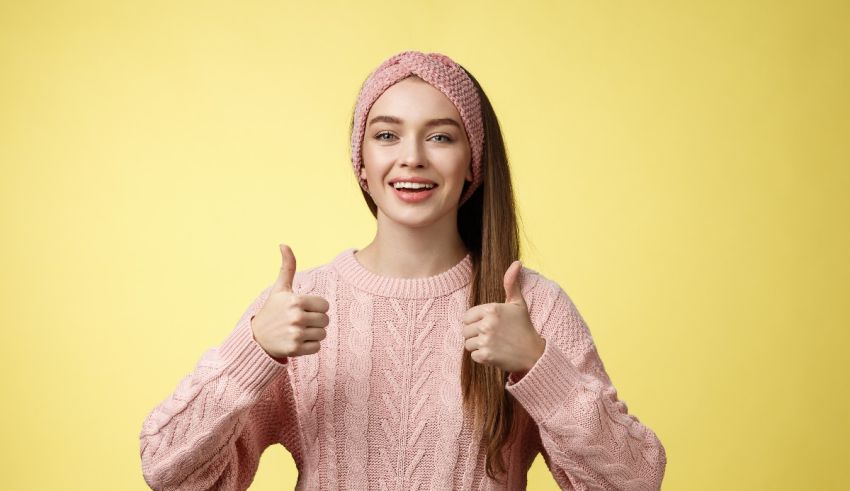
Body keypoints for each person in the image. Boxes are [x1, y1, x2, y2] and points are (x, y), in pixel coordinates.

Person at [139, 50, 667, 490]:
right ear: (362, 164)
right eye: (387, 135)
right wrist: (252, 351)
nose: (412, 157)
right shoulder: (300, 307)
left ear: (472, 164)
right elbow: (167, 472)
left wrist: (538, 367)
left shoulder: (530, 309)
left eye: (440, 137)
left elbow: (637, 481)